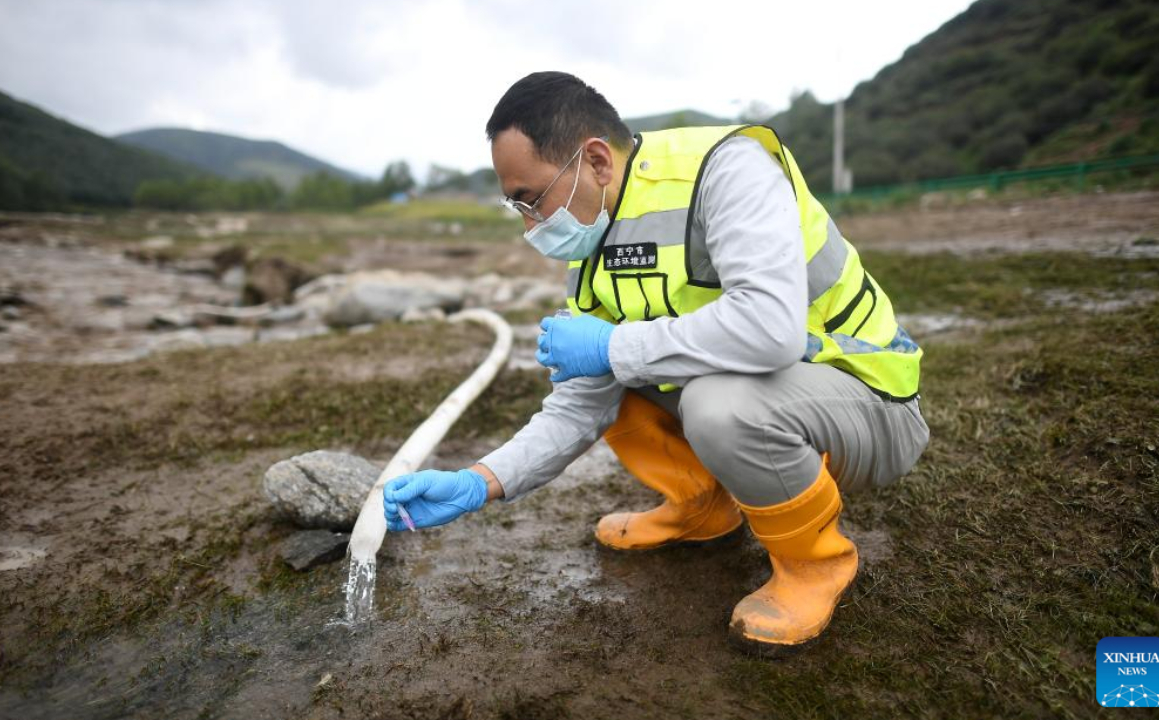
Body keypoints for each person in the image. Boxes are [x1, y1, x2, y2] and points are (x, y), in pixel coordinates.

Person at [383, 71, 930, 655]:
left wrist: (612, 347)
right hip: (781, 401)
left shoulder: (728, 170)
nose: (529, 225)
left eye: (533, 198)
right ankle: (703, 510)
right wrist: (481, 481)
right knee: (620, 377)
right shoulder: (594, 256)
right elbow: (578, 404)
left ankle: (814, 564)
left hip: (869, 399)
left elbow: (770, 331)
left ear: (595, 159)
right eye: (514, 204)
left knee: (714, 403)